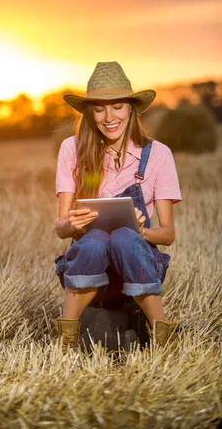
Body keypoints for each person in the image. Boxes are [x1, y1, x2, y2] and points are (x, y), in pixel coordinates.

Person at [51, 61, 182, 349]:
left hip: (137, 264)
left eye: (117, 106)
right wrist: (70, 224)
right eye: (99, 108)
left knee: (124, 236)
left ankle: (162, 335)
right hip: (89, 269)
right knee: (95, 238)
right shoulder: (72, 149)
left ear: (132, 109)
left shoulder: (158, 154)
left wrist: (142, 231)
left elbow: (168, 235)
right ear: (89, 113)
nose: (109, 117)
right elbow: (60, 228)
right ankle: (67, 337)